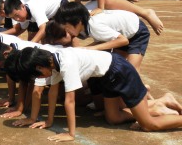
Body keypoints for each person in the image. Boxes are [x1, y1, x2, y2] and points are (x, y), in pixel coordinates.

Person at [11, 47, 182, 142]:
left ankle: (153, 111)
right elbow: (53, 93)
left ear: (40, 67)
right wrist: (48, 121)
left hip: (120, 71)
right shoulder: (51, 60)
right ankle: (161, 103)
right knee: (113, 118)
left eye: (37, 75)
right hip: (106, 76)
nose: (38, 79)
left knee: (149, 125)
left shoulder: (65, 63)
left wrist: (70, 134)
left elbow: (69, 102)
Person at [54, 2, 150, 73]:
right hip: (121, 33)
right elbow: (102, 40)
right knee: (119, 67)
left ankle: (142, 94)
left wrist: (89, 48)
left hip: (136, 32)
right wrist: (84, 49)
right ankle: (145, 93)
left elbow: (123, 41)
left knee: (132, 68)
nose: (67, 32)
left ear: (78, 22)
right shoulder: (87, 24)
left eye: (67, 28)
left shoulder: (94, 26)